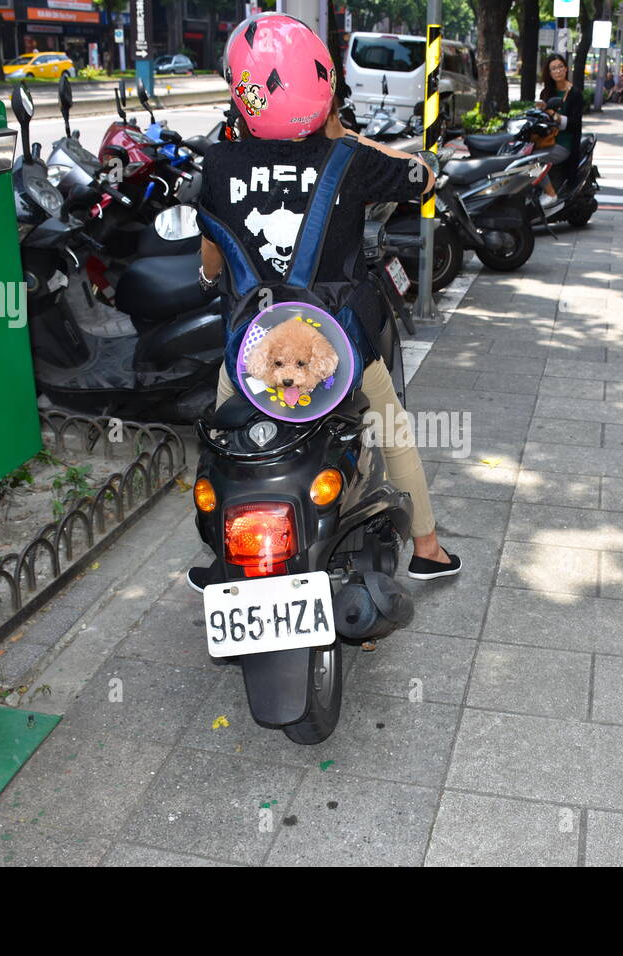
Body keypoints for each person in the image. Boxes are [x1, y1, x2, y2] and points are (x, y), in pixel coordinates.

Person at [195, 13, 461, 580]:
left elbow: (212, 256)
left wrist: (208, 278)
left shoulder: (217, 163)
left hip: (255, 350)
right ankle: (429, 548)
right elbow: (424, 175)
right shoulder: (349, 160)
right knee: (392, 432)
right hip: (339, 347)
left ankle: (222, 557)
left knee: (225, 438)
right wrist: (344, 138)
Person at [536, 54, 584, 204]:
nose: (557, 71)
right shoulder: (546, 92)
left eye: (560, 67)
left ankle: (550, 193)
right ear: (549, 73)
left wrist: (555, 116)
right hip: (545, 140)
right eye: (553, 69)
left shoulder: (575, 94)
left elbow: (575, 124)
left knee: (535, 161)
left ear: (566, 68)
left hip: (564, 143)